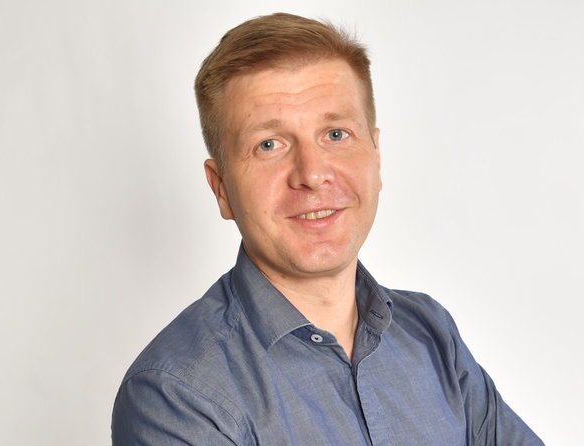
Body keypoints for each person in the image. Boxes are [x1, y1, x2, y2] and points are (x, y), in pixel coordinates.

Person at [111, 12, 544, 445]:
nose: (313, 174)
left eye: (336, 134)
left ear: (376, 157)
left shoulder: (431, 335)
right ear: (221, 188)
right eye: (269, 145)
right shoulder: (175, 395)